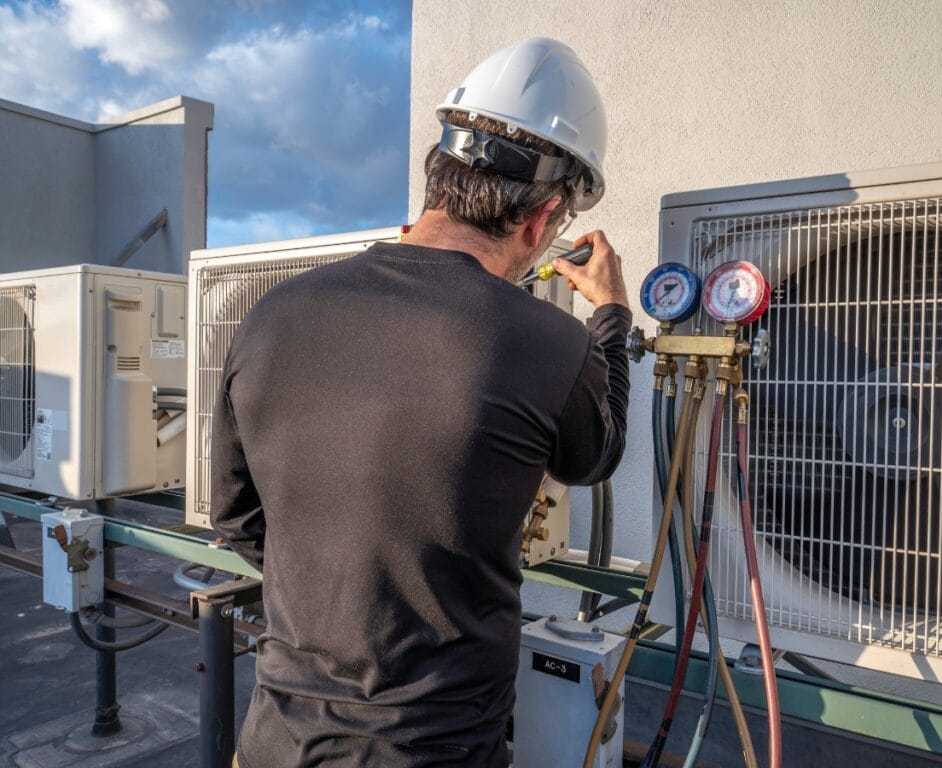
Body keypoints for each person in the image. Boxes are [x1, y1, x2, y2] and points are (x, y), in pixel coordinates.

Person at [211, 37, 631, 768]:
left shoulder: (273, 313)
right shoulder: (548, 343)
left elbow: (238, 520)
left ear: (438, 177)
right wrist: (612, 317)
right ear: (543, 220)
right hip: (434, 750)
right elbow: (596, 453)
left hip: (276, 740)